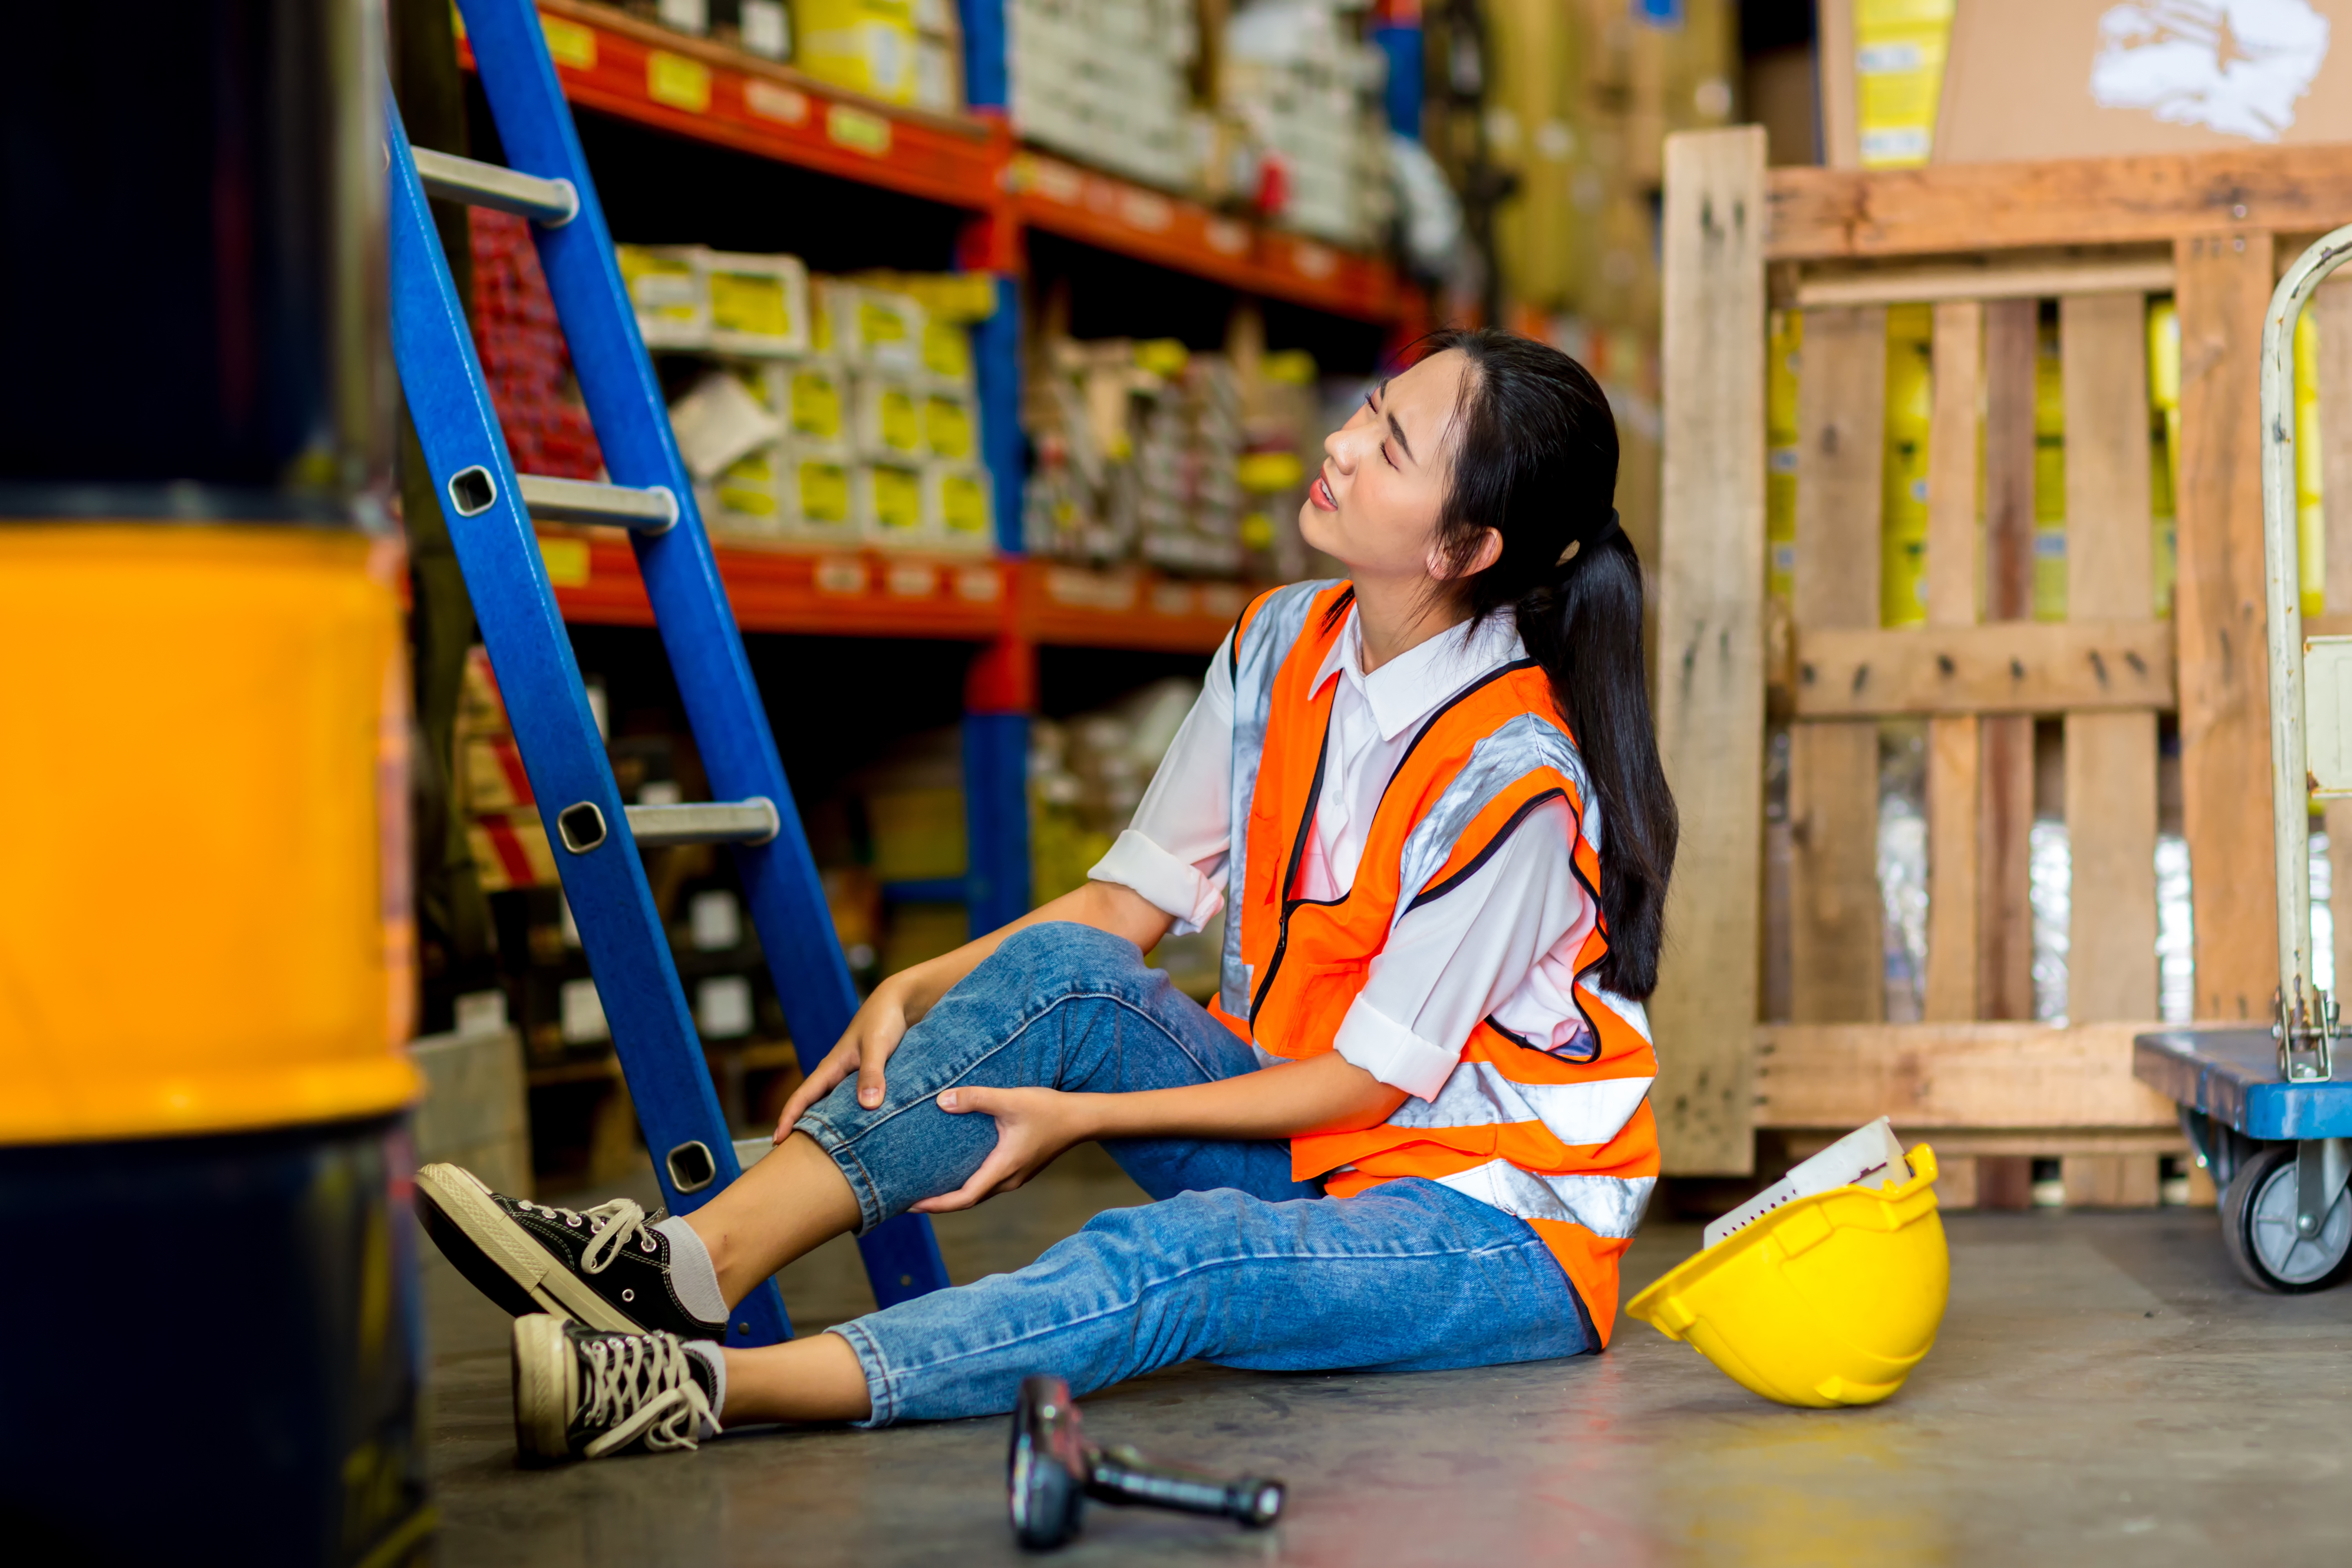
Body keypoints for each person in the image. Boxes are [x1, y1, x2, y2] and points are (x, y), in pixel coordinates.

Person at [415, 328, 1679, 1462]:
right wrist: (916, 985)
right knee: (1058, 982)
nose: (1342, 444)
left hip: (1492, 1225)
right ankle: (686, 1266)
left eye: (1391, 444)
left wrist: (1073, 1121)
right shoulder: (1285, 640)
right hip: (1319, 1146)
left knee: (1190, 1264)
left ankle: (702, 1386)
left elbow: (1370, 1082)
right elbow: (1123, 909)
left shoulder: (1515, 783)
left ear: (1464, 547)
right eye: (1368, 406)